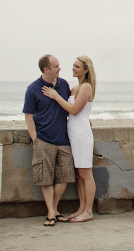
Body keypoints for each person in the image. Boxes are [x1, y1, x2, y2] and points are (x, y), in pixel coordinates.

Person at [42, 55, 97, 223]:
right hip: (73, 134)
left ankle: (88, 211)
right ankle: (81, 208)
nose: (73, 68)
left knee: (86, 173)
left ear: (86, 70)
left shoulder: (86, 87)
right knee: (79, 174)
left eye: (77, 67)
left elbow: (73, 110)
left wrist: (56, 96)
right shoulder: (75, 88)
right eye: (73, 65)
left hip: (81, 135)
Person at [23, 54, 75, 226]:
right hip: (43, 139)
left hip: (64, 139)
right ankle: (52, 213)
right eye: (56, 66)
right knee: (44, 178)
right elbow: (29, 116)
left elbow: (68, 107)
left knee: (64, 177)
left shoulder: (63, 84)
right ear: (46, 69)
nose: (60, 68)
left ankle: (53, 209)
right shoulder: (33, 88)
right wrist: (35, 139)